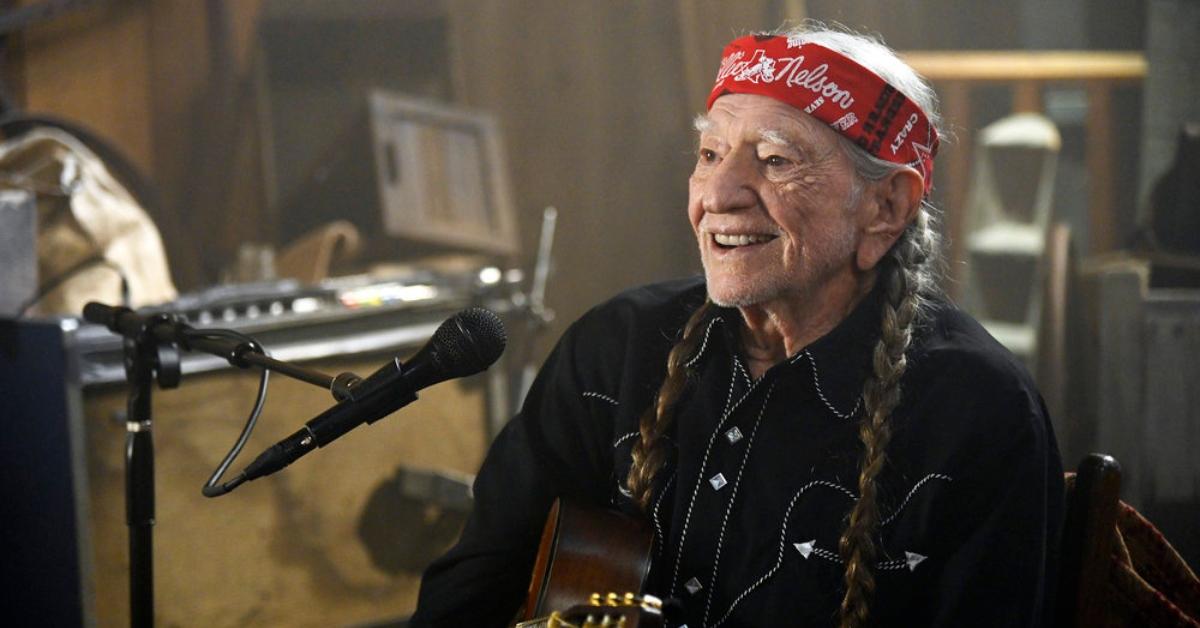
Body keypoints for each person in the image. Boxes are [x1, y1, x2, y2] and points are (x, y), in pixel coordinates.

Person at [411, 22, 1063, 628]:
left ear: (885, 207)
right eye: (711, 153)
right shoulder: (614, 351)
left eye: (776, 161)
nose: (717, 195)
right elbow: (474, 587)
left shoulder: (980, 412)